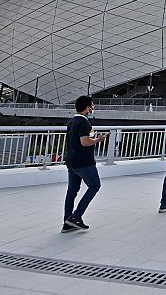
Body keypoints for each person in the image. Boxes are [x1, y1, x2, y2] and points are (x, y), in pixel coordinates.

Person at [62, 96, 107, 232]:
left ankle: (67, 222)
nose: (93, 108)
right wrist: (98, 139)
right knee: (94, 186)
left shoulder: (72, 122)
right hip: (84, 162)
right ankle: (76, 217)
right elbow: (85, 142)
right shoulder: (83, 123)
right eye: (92, 106)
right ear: (87, 107)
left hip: (71, 161)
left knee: (72, 191)